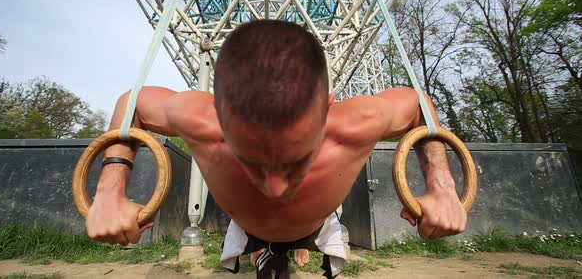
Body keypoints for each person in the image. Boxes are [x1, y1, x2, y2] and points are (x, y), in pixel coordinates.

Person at [85, 20, 467, 278]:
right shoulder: (198, 119)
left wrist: (443, 187)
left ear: (329, 108)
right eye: (250, 160)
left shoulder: (356, 123)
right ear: (216, 113)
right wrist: (108, 190)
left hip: (316, 223)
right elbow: (132, 101)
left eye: (297, 160)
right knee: (267, 259)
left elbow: (419, 103)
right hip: (246, 223)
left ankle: (292, 250)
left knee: (292, 253)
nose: (275, 188)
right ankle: (264, 251)